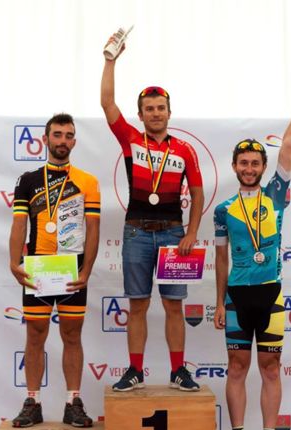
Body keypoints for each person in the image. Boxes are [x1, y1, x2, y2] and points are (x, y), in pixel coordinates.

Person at [214, 73, 291, 430]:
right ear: (235, 166)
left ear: (264, 166)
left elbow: (288, 143)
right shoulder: (223, 210)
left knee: (271, 368)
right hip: (237, 297)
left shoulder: (275, 195)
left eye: (256, 162)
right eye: (244, 162)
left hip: (271, 295)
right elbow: (220, 259)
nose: (250, 167)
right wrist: (218, 302)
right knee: (236, 367)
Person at [101, 34, 205, 392]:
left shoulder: (185, 149)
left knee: (174, 305)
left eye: (161, 108)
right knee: (138, 305)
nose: (156, 113)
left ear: (169, 112)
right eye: (149, 109)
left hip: (174, 234)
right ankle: (135, 370)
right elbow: (107, 103)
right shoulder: (131, 139)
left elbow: (197, 192)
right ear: (141, 114)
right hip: (137, 232)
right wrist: (110, 60)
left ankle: (178, 371)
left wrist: (192, 233)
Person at [9, 113, 100, 428]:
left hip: (71, 267)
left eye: (68, 135)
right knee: (35, 334)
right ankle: (32, 401)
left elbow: (93, 228)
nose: (63, 140)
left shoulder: (88, 181)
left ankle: (73, 402)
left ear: (74, 141)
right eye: (57, 134)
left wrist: (87, 270)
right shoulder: (27, 180)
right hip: (38, 267)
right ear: (45, 140)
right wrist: (14, 262)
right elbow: (19, 224)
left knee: (72, 335)